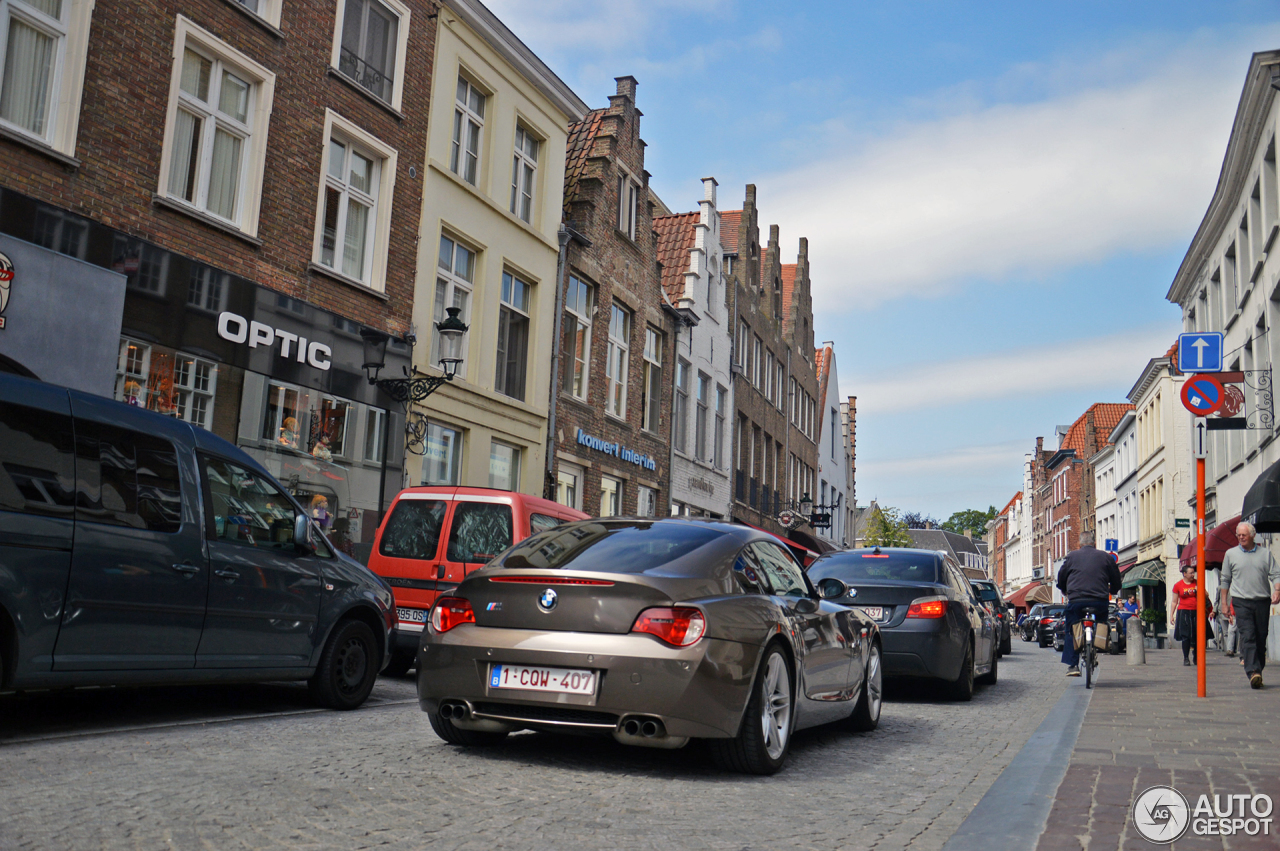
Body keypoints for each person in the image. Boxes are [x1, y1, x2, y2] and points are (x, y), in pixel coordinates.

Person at [1218, 521, 1280, 689]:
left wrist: (1277, 590)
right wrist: (1224, 603)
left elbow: (1275, 574)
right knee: (1248, 635)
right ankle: (1253, 671)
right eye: (1238, 535)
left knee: (1261, 636)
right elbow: (1225, 580)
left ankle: (1258, 670)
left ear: (1252, 535)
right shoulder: (1230, 554)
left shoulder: (1265, 554)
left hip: (1262, 600)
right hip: (1241, 600)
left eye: (1244, 535)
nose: (1241, 537)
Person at [1056, 531, 1123, 677]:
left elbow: (1061, 577)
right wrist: (1114, 589)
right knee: (1101, 621)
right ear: (1094, 543)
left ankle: (1073, 665)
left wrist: (1064, 589)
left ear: (1080, 544)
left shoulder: (1072, 556)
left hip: (1076, 601)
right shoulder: (1106, 557)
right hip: (1099, 600)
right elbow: (1116, 578)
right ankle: (1099, 642)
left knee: (1071, 629)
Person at [1171, 564, 1213, 666]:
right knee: (1186, 636)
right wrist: (1171, 615)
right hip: (1184, 611)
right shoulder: (1178, 585)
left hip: (1197, 611)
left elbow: (1206, 596)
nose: (1193, 575)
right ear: (1184, 574)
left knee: (1199, 635)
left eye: (1193, 573)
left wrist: (1201, 592)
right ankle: (1186, 658)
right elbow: (1174, 601)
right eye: (1191, 573)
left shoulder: (1198, 583)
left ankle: (1196, 656)